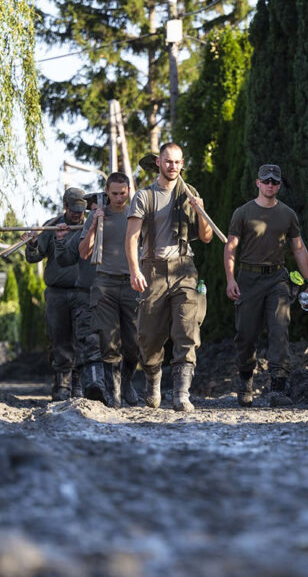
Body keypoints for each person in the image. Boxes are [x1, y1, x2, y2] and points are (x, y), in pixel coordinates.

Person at [125, 143, 212, 411]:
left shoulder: (190, 194)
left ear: (182, 164)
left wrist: (201, 212)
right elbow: (132, 237)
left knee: (187, 329)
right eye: (167, 161)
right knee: (148, 337)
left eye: (177, 162)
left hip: (184, 268)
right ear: (159, 163)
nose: (172, 166)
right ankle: (153, 379)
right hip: (152, 269)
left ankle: (181, 394)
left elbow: (207, 237)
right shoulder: (144, 197)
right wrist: (134, 270)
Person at [223, 164, 308, 407]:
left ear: (279, 185)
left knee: (279, 328)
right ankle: (245, 382)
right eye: (267, 181)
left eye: (275, 181)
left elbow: (298, 248)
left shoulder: (288, 214)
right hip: (248, 279)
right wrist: (231, 279)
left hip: (277, 279)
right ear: (258, 183)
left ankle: (278, 387)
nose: (270, 185)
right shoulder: (242, 212)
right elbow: (231, 247)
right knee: (246, 334)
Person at [23, 187, 107, 403]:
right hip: (57, 294)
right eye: (74, 211)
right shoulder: (52, 226)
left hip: (84, 292)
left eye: (82, 210)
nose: (78, 215)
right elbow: (34, 257)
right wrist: (32, 243)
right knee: (59, 338)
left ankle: (78, 385)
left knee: (85, 338)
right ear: (65, 207)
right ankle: (62, 385)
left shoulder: (91, 225)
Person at [77, 173, 141, 407]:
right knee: (109, 340)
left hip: (132, 283)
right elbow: (83, 252)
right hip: (105, 282)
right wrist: (94, 223)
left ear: (128, 190)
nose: (118, 198)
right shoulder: (97, 216)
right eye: (113, 193)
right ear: (106, 191)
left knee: (134, 343)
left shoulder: (135, 214)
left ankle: (127, 382)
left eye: (122, 193)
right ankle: (113, 394)